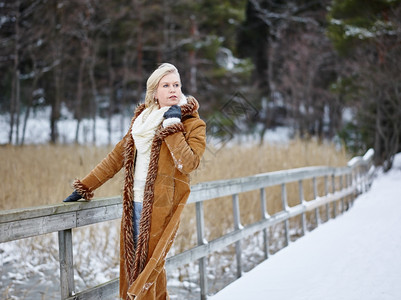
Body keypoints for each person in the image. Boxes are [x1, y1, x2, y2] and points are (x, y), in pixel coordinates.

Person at [63, 63, 206, 300]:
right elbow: (115, 158)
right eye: (166, 85)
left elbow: (188, 164)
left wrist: (172, 127)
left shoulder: (192, 123)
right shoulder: (141, 122)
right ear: (154, 91)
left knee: (148, 268)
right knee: (138, 268)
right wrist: (85, 187)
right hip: (133, 205)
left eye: (176, 85)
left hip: (163, 206)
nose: (173, 90)